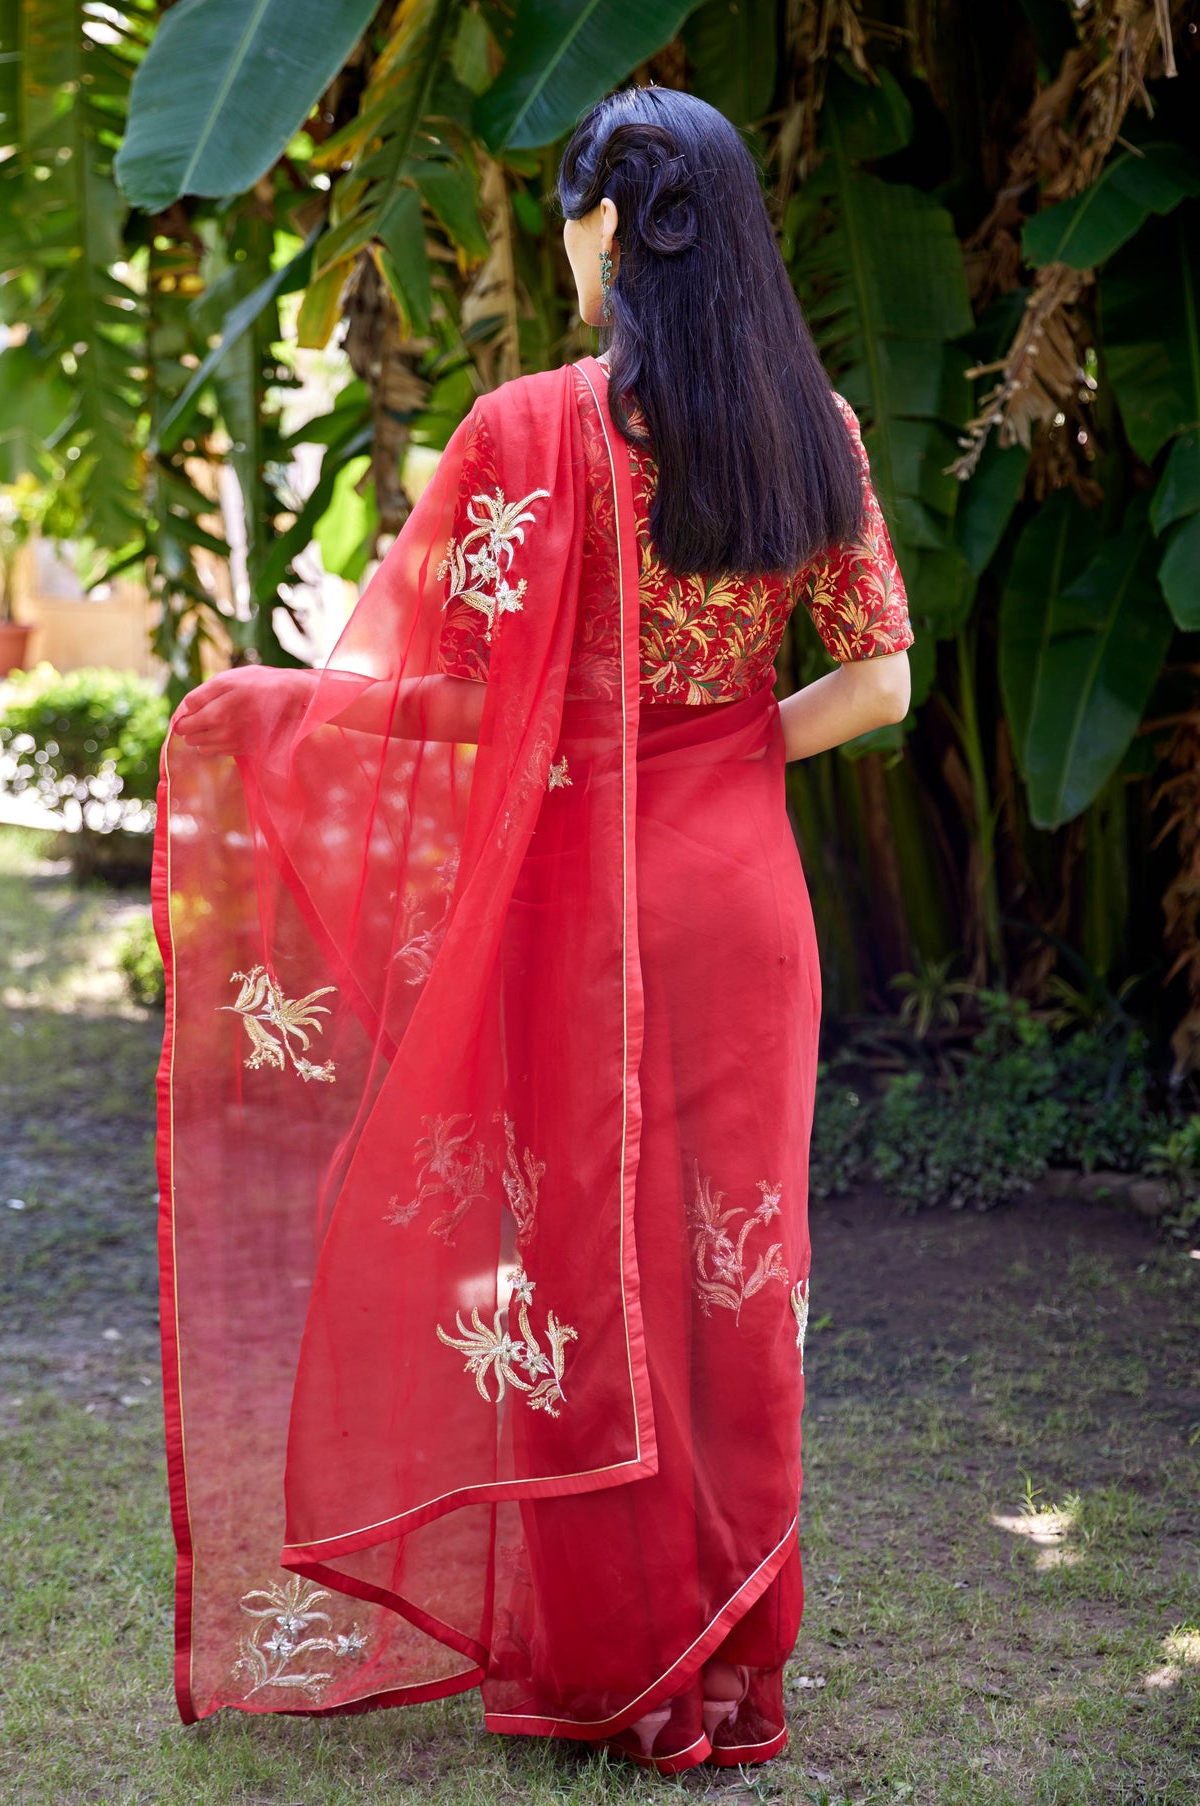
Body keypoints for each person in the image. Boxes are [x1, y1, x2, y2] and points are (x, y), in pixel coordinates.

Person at [155, 84, 913, 1777]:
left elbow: (436, 700)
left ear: (599, 225)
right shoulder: (815, 427)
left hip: (574, 901)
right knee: (733, 1278)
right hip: (739, 906)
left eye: (570, 221)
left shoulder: (521, 431)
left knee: (575, 1267)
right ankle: (727, 1665)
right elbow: (878, 682)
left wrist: (259, 715)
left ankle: (599, 1667)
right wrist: (714, 747)